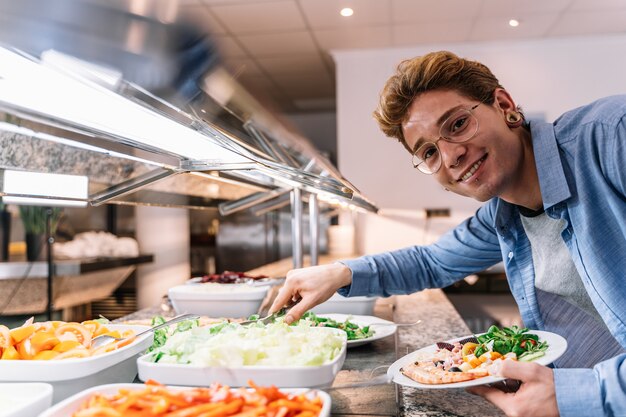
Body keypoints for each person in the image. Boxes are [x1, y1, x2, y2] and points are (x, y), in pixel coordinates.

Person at [269, 51, 626, 417]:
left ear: (503, 105)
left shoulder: (613, 137)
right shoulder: (502, 214)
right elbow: (432, 261)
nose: (450, 157)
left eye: (456, 125)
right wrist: (340, 272)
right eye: (428, 152)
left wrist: (582, 394)